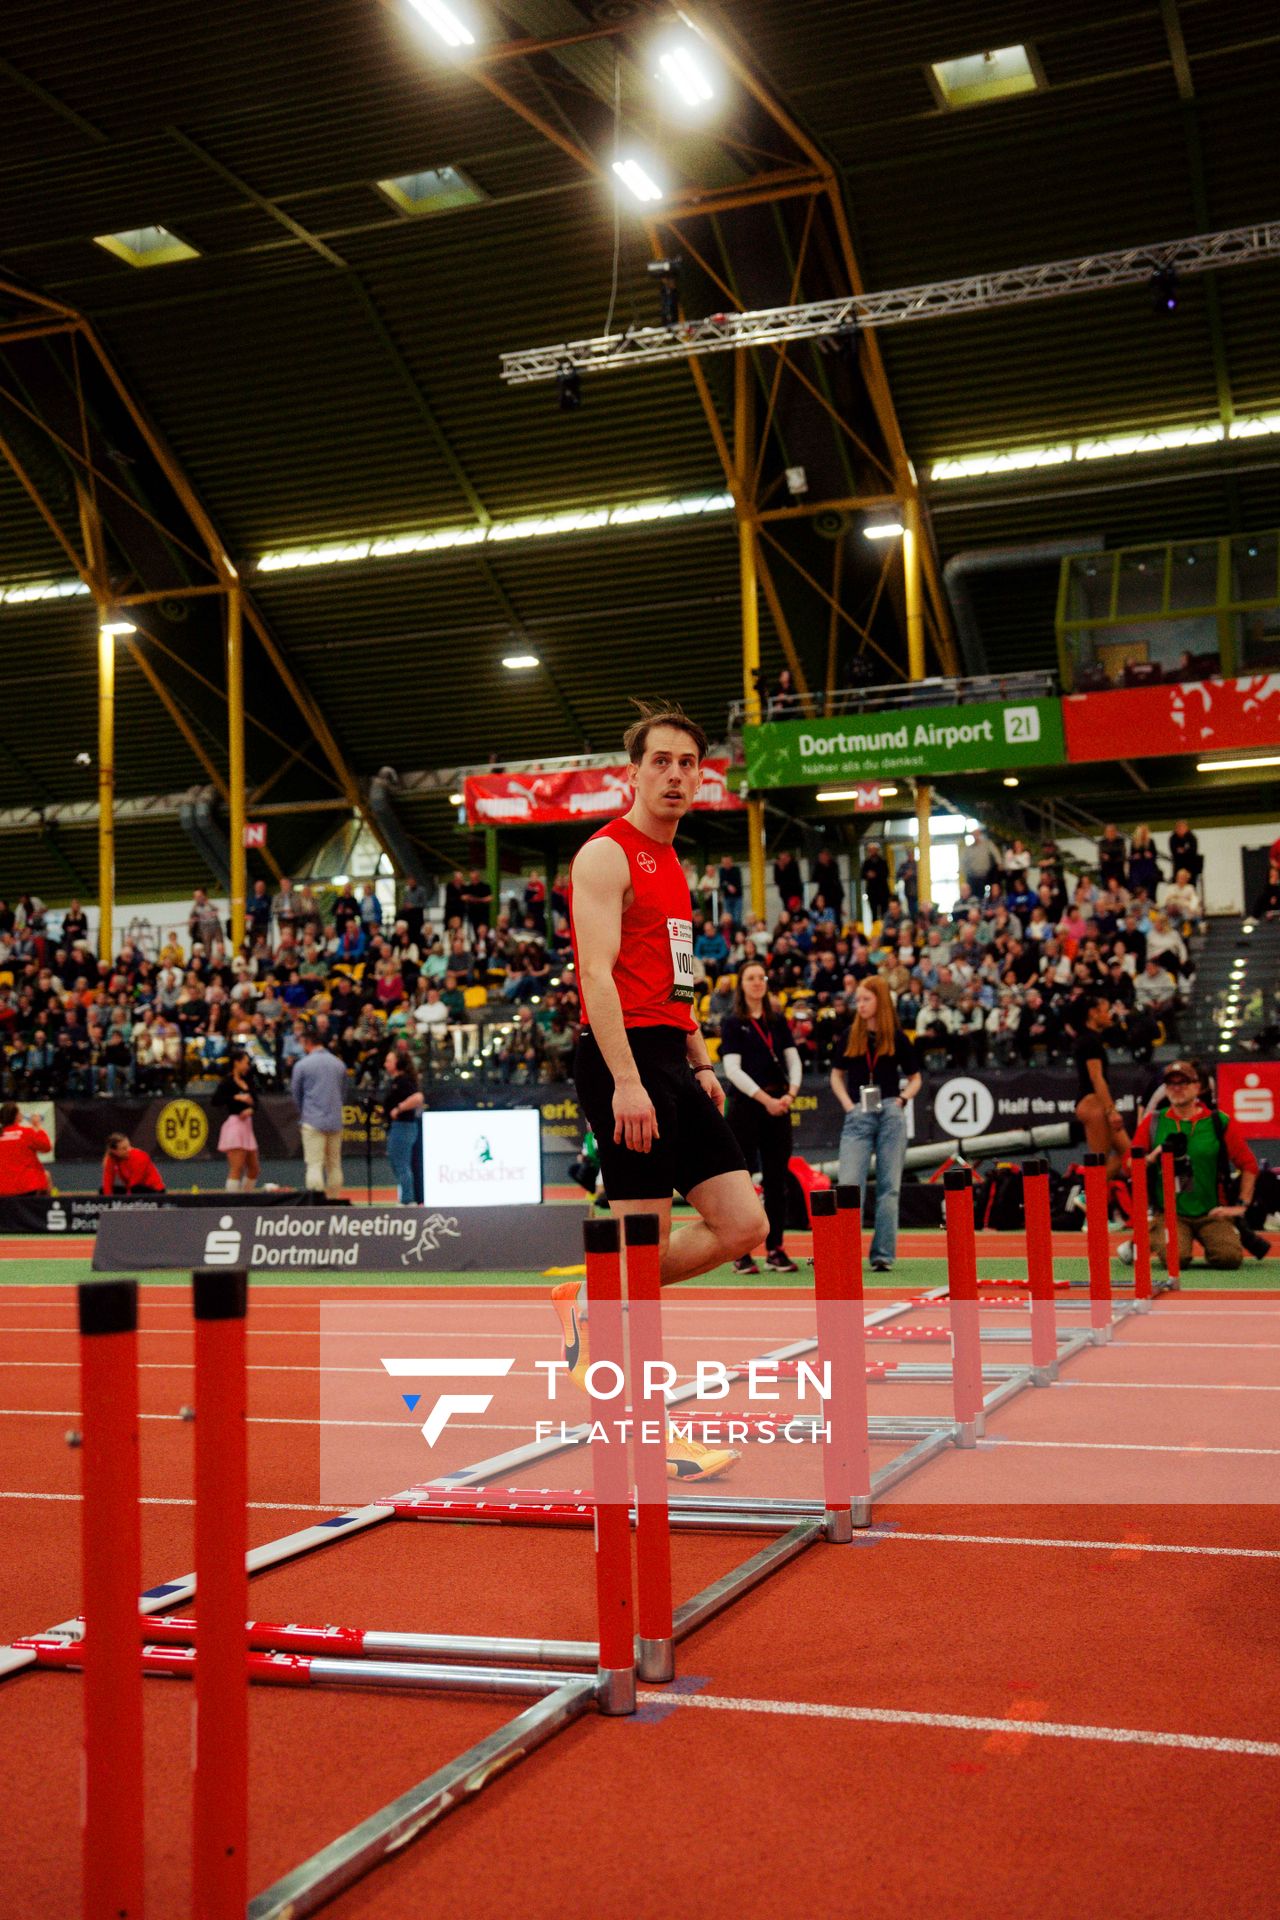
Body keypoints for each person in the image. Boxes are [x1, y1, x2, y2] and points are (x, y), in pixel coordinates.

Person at [560, 699, 767, 1483]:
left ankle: (592, 1298)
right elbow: (597, 976)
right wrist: (625, 1081)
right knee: (640, 1243)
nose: (676, 774)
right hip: (622, 1062)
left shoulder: (674, 864)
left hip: (674, 1059)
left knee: (745, 1224)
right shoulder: (605, 855)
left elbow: (673, 982)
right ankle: (638, 1427)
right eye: (662, 762)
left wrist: (702, 1061)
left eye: (689, 763)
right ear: (634, 771)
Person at [829, 977, 923, 1272]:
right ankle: (846, 1252)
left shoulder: (896, 1036)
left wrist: (902, 1100)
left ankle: (883, 1254)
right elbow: (835, 1075)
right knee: (849, 1184)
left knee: (889, 1187)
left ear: (880, 1001)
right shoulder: (848, 1035)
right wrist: (848, 1105)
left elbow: (916, 1077)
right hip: (858, 1113)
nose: (860, 1004)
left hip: (891, 1114)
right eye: (858, 999)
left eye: (866, 999)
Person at [1131, 1060, 1259, 1271]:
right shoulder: (1153, 1122)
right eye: (1171, 1083)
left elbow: (1249, 1165)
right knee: (1176, 1259)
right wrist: (1154, 1155)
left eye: (1184, 1082)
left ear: (1197, 1087)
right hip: (1169, 1213)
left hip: (1212, 1212)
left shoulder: (1218, 1122)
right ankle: (1152, 1233)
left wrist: (1240, 1206)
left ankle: (1147, 1239)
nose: (1177, 1088)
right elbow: (1130, 1165)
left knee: (1229, 1258)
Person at [719, 960, 803, 1276]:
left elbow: (794, 1060)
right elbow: (732, 1070)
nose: (757, 982)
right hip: (747, 1107)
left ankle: (775, 1248)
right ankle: (740, 1252)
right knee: (741, 1182)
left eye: (761, 977)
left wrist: (789, 1095)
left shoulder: (777, 1021)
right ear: (742, 985)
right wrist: (765, 1099)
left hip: (779, 1106)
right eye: (750, 978)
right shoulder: (732, 1022)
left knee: (776, 1178)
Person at [1073, 995, 1129, 1177]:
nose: (1109, 1016)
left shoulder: (1092, 1039)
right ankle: (1088, 1197)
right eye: (1106, 1011)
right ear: (1093, 1013)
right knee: (1099, 1163)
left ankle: (1090, 1193)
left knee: (1130, 1155)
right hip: (1093, 1104)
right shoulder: (1089, 1041)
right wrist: (1110, 1110)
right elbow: (1096, 1077)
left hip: (1095, 1103)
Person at [290, 1027, 349, 1200]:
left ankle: (316, 1205)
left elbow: (296, 1093)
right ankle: (334, 1200)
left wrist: (306, 1112)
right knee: (334, 1164)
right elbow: (343, 1092)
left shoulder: (302, 1065)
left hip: (312, 1121)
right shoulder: (339, 1064)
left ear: (307, 1043)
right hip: (334, 1120)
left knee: (314, 1164)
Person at [211, 1049, 260, 1192]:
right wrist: (235, 1098)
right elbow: (215, 1100)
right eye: (245, 1062)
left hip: (247, 1126)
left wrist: (251, 1108)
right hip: (234, 1126)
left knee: (254, 1168)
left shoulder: (248, 1081)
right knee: (237, 1167)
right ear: (236, 1063)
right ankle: (233, 1201)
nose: (248, 1066)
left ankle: (246, 1195)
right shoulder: (227, 1082)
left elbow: (256, 1102)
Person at [382, 1046, 424, 1204]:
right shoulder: (396, 1081)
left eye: (389, 1061)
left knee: (401, 1164)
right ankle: (407, 1197)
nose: (385, 1064)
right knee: (397, 1163)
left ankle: (407, 1200)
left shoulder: (404, 1081)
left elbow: (418, 1097)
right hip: (399, 1126)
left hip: (403, 1126)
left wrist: (399, 1108)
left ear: (398, 1063)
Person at [0, 1101, 52, 1197]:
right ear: (16, 1117)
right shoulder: (26, 1133)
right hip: (25, 1188)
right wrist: (37, 1126)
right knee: (46, 1176)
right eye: (20, 1113)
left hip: (2, 1189)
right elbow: (47, 1147)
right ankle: (46, 1209)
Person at [100, 1132, 165, 1196]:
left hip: (154, 1191)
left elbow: (135, 1181)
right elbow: (107, 1182)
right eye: (124, 1148)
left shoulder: (140, 1156)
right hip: (131, 1189)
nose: (129, 1150)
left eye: (129, 1146)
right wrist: (108, 1199)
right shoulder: (111, 1159)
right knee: (103, 1191)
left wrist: (127, 1200)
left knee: (135, 1188)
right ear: (114, 1151)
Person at [860, 841, 890, 924]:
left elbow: (886, 873)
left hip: (883, 891)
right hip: (872, 892)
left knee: (884, 913)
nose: (872, 851)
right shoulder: (866, 863)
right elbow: (862, 875)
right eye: (870, 850)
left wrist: (875, 874)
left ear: (877, 850)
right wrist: (868, 875)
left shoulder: (883, 862)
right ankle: (875, 930)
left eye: (874, 849)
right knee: (874, 913)